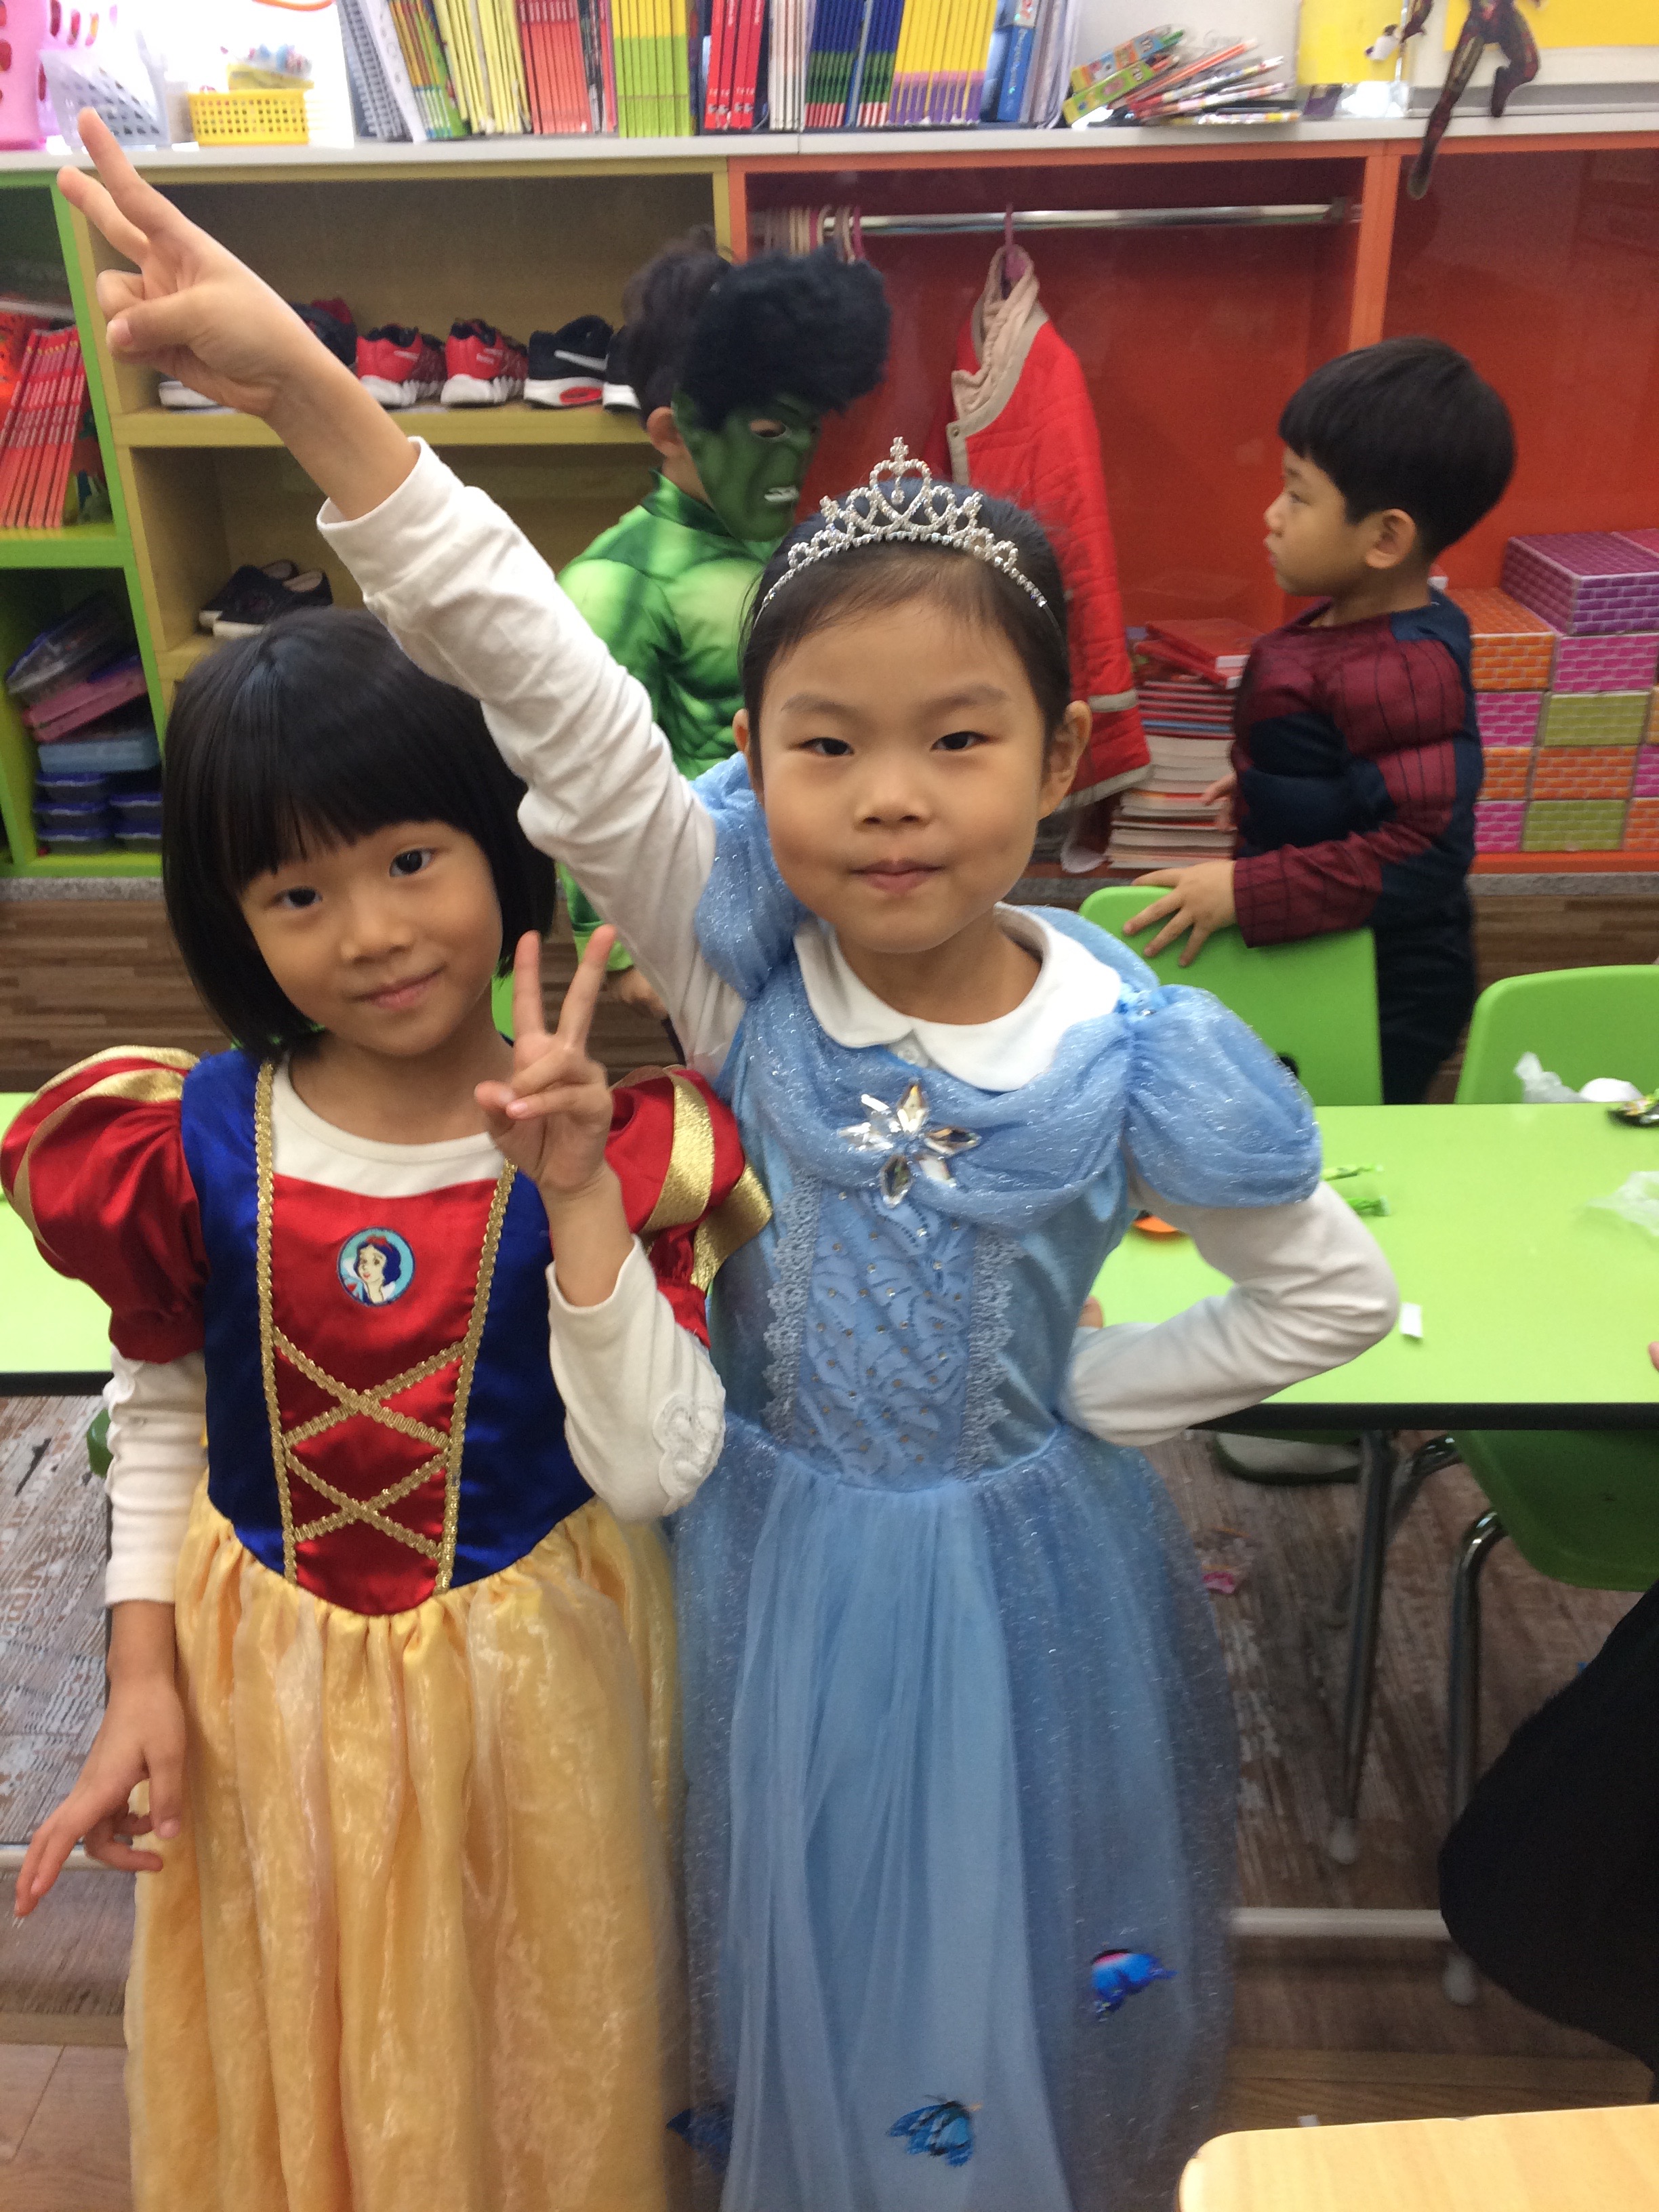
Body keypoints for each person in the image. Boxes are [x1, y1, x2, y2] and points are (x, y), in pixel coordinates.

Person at [60, 116, 1399, 2211]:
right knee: (793, 1936)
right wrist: (319, 401)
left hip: (1021, 1581)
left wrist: (1098, 1395)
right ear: (748, 765)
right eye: (825, 744)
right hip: (768, 1562)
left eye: (960, 738)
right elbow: (532, 668)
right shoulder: (731, 953)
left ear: (1062, 755)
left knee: (990, 1944)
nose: (892, 798)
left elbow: (1332, 1292)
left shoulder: (1136, 1040)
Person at [3, 597, 765, 2212]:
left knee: (527, 2020)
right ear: (233, 918)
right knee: (301, 2006)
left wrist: (575, 1200)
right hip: (262, 1680)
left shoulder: (616, 1146)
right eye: (298, 892)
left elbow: (654, 1466)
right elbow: (163, 1406)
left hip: (533, 1679)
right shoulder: (188, 1145)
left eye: (412, 859)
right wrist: (138, 1674)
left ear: (500, 843)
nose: (369, 931)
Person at [1126, 337, 1515, 1107]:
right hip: (1332, 949)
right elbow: (1357, 761)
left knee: (1340, 1135)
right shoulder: (1355, 625)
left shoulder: (1405, 666)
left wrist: (1247, 892)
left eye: (1298, 497)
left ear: (1386, 539)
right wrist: (1275, 784)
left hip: (1384, 988)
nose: (1272, 517)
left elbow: (1423, 849)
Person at [560, 230, 889, 1021]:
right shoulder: (617, 584)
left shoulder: (797, 549)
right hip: (707, 932)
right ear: (673, 434)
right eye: (768, 435)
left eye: (807, 428)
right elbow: (584, 779)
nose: (795, 459)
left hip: (831, 902)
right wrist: (619, 952)